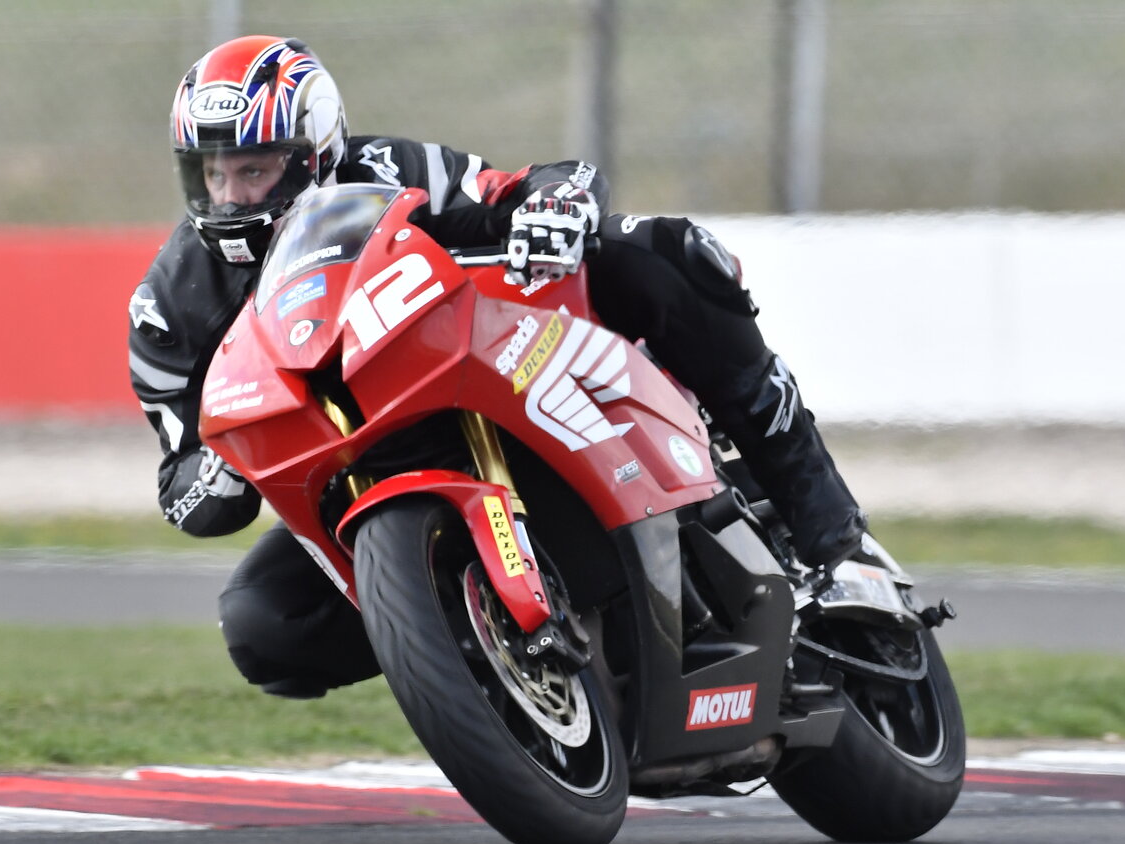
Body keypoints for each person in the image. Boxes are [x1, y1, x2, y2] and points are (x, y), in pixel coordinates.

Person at [128, 35, 868, 698]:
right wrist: (218, 467)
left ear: (314, 153)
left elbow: (515, 191)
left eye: (253, 170)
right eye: (212, 174)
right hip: (353, 479)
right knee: (263, 623)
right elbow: (180, 483)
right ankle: (472, 661)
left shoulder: (386, 172)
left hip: (466, 386)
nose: (231, 195)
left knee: (659, 251)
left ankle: (831, 539)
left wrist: (558, 206)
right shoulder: (168, 307)